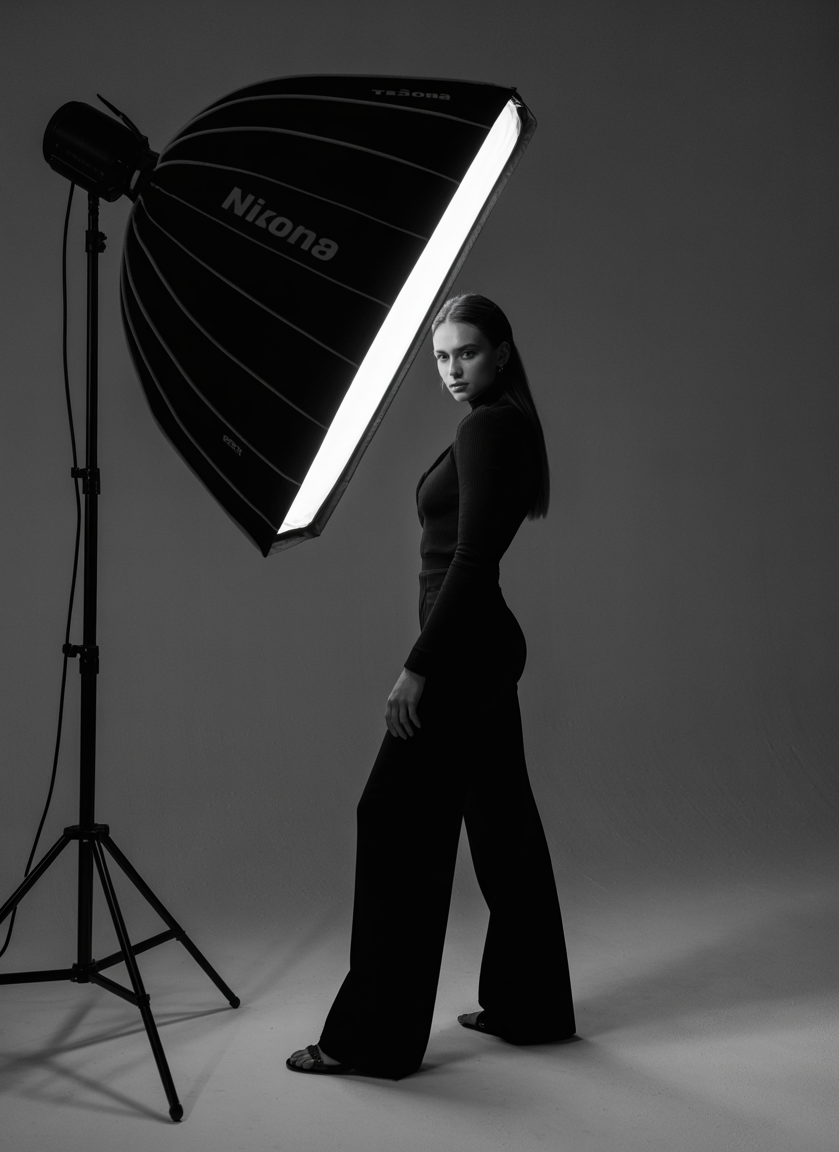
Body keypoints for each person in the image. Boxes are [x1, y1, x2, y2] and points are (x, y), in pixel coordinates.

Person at [287, 294, 576, 1078]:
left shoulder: (488, 428)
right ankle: (532, 1006)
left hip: (462, 656)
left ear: (502, 353)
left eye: (467, 352)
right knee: (502, 825)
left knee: (392, 819)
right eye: (442, 356)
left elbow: (471, 561)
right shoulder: (500, 423)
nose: (452, 369)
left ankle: (370, 1039)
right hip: (481, 649)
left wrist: (419, 666)